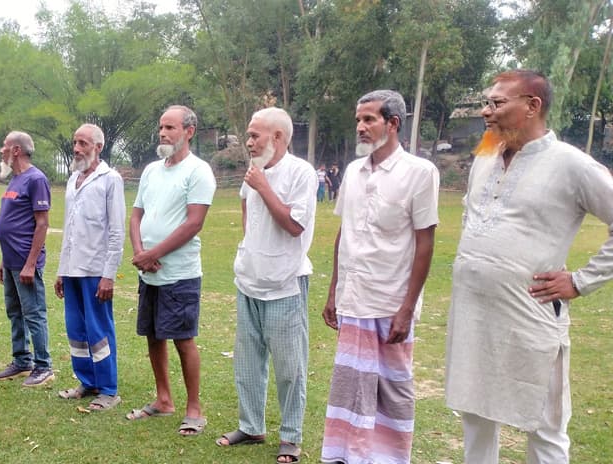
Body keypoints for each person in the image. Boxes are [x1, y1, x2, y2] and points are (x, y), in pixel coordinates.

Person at [445, 70, 613, 464]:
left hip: (531, 315)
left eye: (497, 103)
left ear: (532, 106)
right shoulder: (485, 158)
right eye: (487, 103)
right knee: (476, 412)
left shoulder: (573, 164)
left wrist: (581, 281)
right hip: (474, 312)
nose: (487, 112)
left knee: (545, 423)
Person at [320, 90, 439, 464]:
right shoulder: (353, 172)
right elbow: (345, 233)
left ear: (393, 124)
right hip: (353, 299)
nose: (361, 127)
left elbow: (425, 243)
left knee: (392, 391)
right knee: (351, 385)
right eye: (358, 120)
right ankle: (345, 457)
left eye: (369, 119)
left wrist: (407, 308)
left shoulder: (420, 173)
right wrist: (333, 291)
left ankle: (389, 458)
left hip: (390, 302)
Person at [216, 108, 316, 463]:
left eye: (255, 135)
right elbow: (247, 207)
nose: (249, 141)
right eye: (248, 134)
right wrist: (251, 246)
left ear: (278, 137)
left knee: (290, 368)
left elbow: (294, 225)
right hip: (249, 280)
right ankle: (251, 425)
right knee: (247, 363)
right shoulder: (254, 174)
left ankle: (290, 436)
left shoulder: (301, 173)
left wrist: (264, 186)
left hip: (285, 285)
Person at [125, 105, 215, 437]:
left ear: (189, 131)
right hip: (148, 271)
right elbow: (136, 214)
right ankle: (163, 399)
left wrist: (155, 253)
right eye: (161, 127)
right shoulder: (151, 171)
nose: (163, 133)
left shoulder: (198, 171)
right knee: (152, 334)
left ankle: (194, 408)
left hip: (180, 272)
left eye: (171, 128)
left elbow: (194, 222)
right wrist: (139, 252)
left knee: (182, 339)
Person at [54, 123, 125, 410]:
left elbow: (116, 231)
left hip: (95, 269)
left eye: (83, 143)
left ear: (98, 147)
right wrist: (61, 270)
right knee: (76, 329)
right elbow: (68, 228)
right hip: (72, 268)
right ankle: (87, 381)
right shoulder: (73, 179)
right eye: (75, 142)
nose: (77, 148)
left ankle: (108, 389)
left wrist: (108, 275)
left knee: (99, 330)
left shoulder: (111, 180)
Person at [0, 131, 54, 387]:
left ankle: (43, 366)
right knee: (14, 312)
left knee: (33, 314)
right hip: (11, 262)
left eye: (4, 146)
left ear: (16, 150)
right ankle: (21, 359)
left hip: (26, 263)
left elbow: (42, 224)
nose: (1, 150)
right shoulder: (15, 179)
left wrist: (30, 263)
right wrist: (3, 261)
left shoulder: (35, 179)